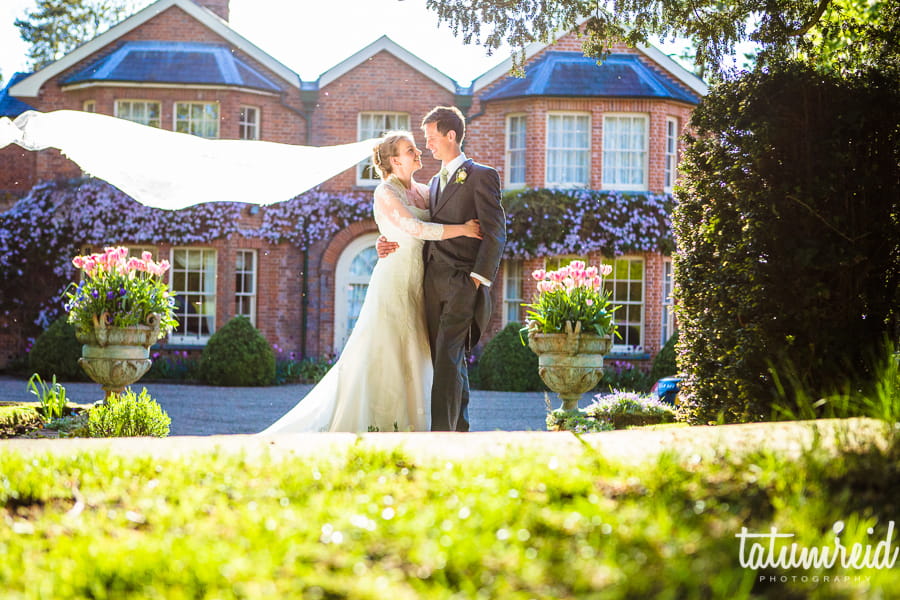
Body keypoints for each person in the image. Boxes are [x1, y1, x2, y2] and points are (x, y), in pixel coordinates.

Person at [260, 131, 482, 433]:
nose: (418, 152)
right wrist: (465, 230)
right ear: (393, 160)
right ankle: (382, 424)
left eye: (416, 148)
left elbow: (430, 223)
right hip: (395, 280)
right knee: (388, 349)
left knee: (418, 351)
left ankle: (417, 423)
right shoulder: (385, 192)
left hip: (424, 280)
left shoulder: (424, 189)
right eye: (409, 150)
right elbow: (414, 227)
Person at [378, 106, 506, 431]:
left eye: (432, 138)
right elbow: (414, 224)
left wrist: (477, 280)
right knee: (447, 360)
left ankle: (439, 435)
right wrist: (385, 240)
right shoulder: (431, 183)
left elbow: (496, 232)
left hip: (463, 282)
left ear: (451, 135)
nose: (428, 146)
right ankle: (459, 430)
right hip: (430, 282)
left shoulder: (482, 175)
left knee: (448, 358)